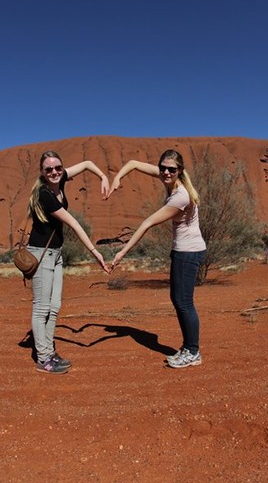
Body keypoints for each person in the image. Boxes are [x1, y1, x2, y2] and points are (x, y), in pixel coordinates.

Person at [107, 149, 206, 369]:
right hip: (184, 250)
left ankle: (193, 351)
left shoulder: (181, 196)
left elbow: (147, 223)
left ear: (180, 171)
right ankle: (189, 348)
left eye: (171, 169)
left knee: (183, 302)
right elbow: (132, 162)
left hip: (188, 252)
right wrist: (118, 177)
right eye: (162, 168)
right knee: (179, 300)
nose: (165, 173)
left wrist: (122, 252)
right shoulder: (168, 178)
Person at [26, 150, 110, 374]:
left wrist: (103, 176)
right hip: (40, 255)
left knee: (54, 307)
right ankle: (43, 358)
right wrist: (95, 252)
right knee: (41, 307)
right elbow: (74, 223)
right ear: (42, 173)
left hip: (56, 254)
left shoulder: (61, 179)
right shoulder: (45, 195)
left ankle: (49, 350)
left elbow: (87, 162)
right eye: (49, 169)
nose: (54, 172)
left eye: (58, 168)